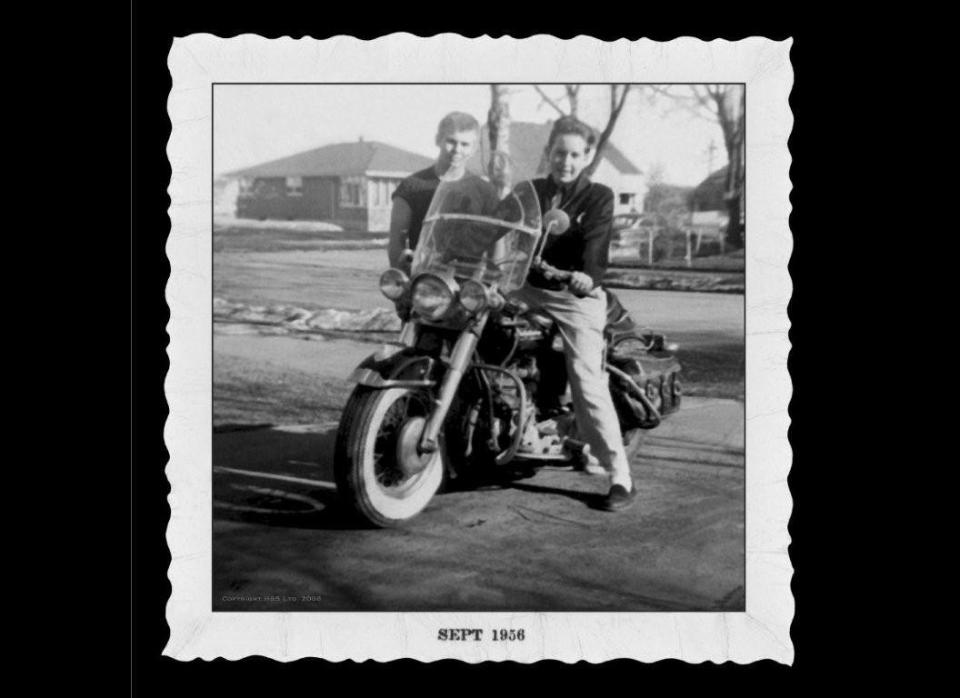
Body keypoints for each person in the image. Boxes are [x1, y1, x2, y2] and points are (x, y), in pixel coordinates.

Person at [512, 116, 636, 512]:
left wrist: (586, 275)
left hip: (573, 295)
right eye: (559, 152)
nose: (565, 161)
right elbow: (498, 224)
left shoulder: (598, 196)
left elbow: (597, 245)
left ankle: (619, 474)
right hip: (526, 288)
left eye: (574, 154)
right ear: (549, 152)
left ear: (586, 158)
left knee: (585, 377)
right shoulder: (530, 190)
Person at [388, 112, 496, 270]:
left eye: (465, 144)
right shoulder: (411, 187)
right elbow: (396, 243)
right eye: (451, 141)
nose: (457, 150)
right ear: (438, 140)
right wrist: (403, 271)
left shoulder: (486, 191)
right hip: (421, 280)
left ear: (474, 148)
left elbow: (496, 248)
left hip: (466, 284)